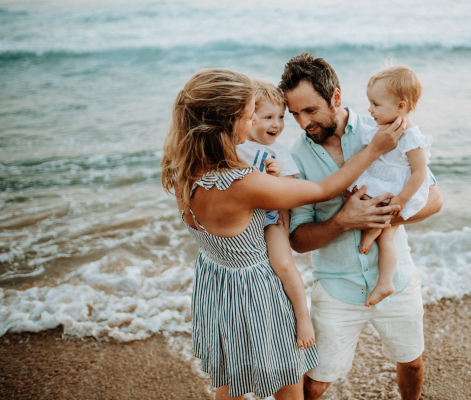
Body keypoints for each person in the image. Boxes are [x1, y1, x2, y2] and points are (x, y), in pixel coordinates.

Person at [160, 68, 406, 400]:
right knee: (287, 380)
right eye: (249, 117)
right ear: (228, 123)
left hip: (217, 283)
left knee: (231, 379)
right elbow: (322, 188)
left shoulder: (181, 169)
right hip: (258, 291)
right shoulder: (243, 183)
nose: (253, 124)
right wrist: (374, 150)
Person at [279, 53, 442, 400]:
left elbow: (434, 198)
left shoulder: (383, 126)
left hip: (396, 280)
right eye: (294, 113)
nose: (302, 122)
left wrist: (384, 217)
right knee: (318, 381)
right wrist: (343, 221)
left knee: (411, 362)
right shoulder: (295, 157)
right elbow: (297, 239)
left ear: (336, 97)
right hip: (337, 288)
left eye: (310, 110)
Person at [237, 78, 315, 350]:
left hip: (270, 220)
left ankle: (303, 318)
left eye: (281, 117)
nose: (277, 124)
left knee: (283, 264)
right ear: (248, 117)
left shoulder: (279, 151)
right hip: (241, 220)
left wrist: (276, 176)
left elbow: (291, 188)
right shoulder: (235, 146)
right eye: (268, 117)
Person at [347, 65, 433, 307]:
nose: (369, 109)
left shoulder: (412, 136)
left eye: (376, 104)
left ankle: (385, 282)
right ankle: (374, 230)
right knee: (360, 197)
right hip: (384, 184)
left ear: (401, 106)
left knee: (387, 238)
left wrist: (402, 200)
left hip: (399, 191)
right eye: (370, 103)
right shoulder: (384, 127)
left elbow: (419, 172)